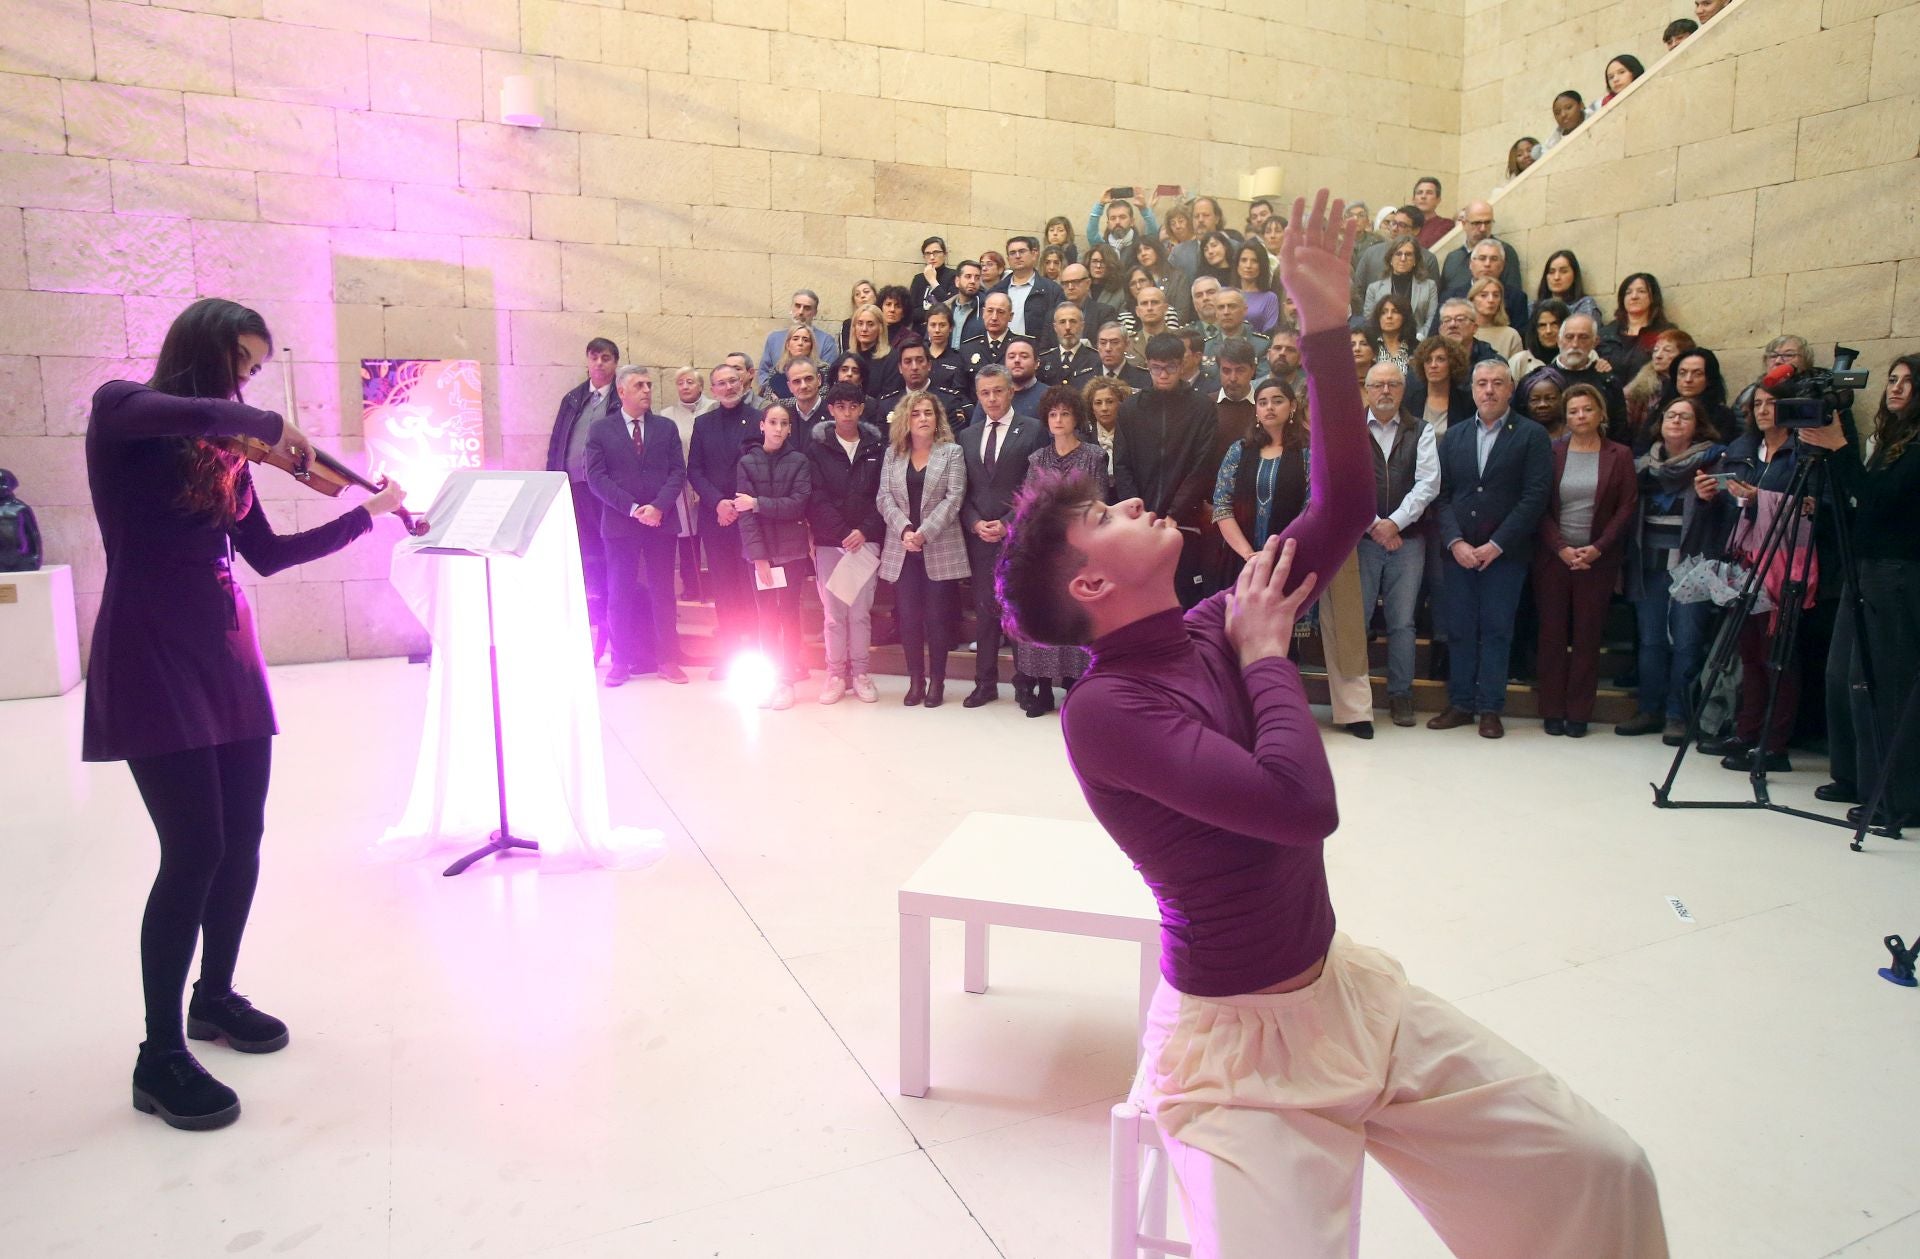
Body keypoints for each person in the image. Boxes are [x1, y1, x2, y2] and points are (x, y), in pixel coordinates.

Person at [993, 192, 1668, 1259]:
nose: (1132, 504)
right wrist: (1268, 657)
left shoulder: (1221, 613)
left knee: (1601, 1171)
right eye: (1107, 514)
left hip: (1343, 995)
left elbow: (1346, 497)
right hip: (1236, 1059)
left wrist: (1320, 323)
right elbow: (1300, 806)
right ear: (1088, 579)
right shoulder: (1107, 710)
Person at [85, 297, 410, 1131]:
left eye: (256, 369)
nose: (245, 380)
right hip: (151, 651)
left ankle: (215, 998)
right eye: (239, 362)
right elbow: (189, 412)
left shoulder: (228, 454)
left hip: (226, 654)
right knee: (192, 847)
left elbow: (264, 555)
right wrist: (260, 421)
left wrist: (363, 517)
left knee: (243, 837)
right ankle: (158, 1057)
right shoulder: (123, 410)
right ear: (202, 353)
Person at [1802, 355, 1920, 828]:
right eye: (1892, 380)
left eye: (1908, 383)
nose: (1896, 389)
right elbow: (1860, 504)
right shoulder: (1891, 441)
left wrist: (1840, 447)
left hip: (1898, 572)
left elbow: (1877, 501)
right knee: (1842, 676)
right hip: (1864, 565)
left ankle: (1894, 795)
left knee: (1882, 682)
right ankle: (1852, 775)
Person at [1428, 360, 1555, 738]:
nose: (1489, 390)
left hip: (1506, 553)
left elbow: (1534, 497)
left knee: (1498, 630)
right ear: (1471, 389)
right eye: (1481, 383)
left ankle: (1490, 708)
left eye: (1497, 383)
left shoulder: (1531, 435)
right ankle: (1462, 702)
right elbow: (1442, 495)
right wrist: (1455, 542)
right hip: (1459, 552)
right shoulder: (1455, 436)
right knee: (1461, 629)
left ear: (1511, 388)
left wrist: (1497, 544)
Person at [1697, 383, 1813, 772]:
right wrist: (1709, 494)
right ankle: (1747, 731)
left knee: (1777, 656)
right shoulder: (1744, 450)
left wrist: (1760, 497)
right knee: (1748, 654)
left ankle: (1774, 743)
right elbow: (1727, 505)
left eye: (1771, 403)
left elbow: (1819, 507)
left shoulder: (1804, 453)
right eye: (1757, 404)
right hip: (1744, 560)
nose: (1763, 410)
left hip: (1784, 564)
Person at [1615, 396, 1725, 743]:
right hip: (1649, 565)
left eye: (1685, 417)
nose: (1676, 421)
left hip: (1692, 566)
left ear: (1698, 425)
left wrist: (1711, 500)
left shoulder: (1714, 461)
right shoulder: (1643, 465)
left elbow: (1728, 518)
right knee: (1649, 642)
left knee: (1687, 641)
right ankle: (1650, 709)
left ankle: (1678, 715)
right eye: (1670, 415)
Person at [1533, 385, 1637, 736]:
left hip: (1597, 560)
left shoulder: (1619, 455)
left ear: (1600, 414)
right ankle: (1551, 709)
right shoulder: (1552, 452)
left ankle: (1578, 712)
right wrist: (1560, 547)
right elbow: (1540, 506)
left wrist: (1599, 548)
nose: (1580, 416)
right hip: (1554, 558)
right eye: (1574, 410)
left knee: (1588, 637)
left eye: (1587, 410)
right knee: (1551, 635)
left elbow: (1626, 508)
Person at [586, 364, 692, 689]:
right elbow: (596, 477)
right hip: (621, 523)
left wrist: (658, 506)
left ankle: (668, 660)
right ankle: (620, 662)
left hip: (661, 521)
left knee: (664, 593)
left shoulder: (665, 428)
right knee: (619, 594)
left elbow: (678, 472)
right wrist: (633, 508)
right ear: (622, 391)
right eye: (639, 385)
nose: (647, 390)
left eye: (648, 385)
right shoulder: (601, 430)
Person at [1013, 385, 1107, 716]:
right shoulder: (1037, 458)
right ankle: (1040, 688)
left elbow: (1099, 503)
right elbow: (1027, 503)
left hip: (1080, 549)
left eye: (1065, 413)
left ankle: (1074, 682)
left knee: (1074, 615)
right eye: (1053, 414)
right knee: (1042, 613)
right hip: (1044, 548)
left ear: (1076, 417)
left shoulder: (1094, 456)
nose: (1058, 419)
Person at [959, 364, 1047, 708]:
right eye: (985, 393)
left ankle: (1024, 683)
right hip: (980, 536)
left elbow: (1035, 483)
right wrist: (974, 523)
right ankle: (985, 683)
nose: (992, 398)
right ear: (978, 396)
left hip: (1018, 535)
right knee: (985, 611)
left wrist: (1009, 521)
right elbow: (963, 488)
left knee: (1018, 612)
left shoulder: (1034, 429)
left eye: (998, 391)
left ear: (1011, 392)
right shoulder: (968, 435)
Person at [1112, 331, 1222, 608]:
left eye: (1170, 366)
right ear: (1147, 364)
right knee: (1140, 601)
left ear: (1182, 363)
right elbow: (1122, 464)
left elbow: (1203, 465)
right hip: (1139, 523)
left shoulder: (1201, 408)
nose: (1163, 374)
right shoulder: (1130, 409)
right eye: (1157, 367)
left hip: (1185, 521)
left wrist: (1175, 513)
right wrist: (1138, 512)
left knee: (1184, 600)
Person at [1358, 361, 1440, 727]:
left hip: (1408, 541)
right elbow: (1343, 482)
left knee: (1402, 622)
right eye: (1378, 385)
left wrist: (1394, 524)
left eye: (1393, 384)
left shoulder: (1420, 430)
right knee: (1355, 620)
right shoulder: (1350, 428)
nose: (1386, 391)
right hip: (1360, 540)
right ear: (1367, 389)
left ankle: (1401, 695)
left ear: (1404, 390)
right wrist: (1375, 525)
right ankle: (1355, 698)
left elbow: (1427, 484)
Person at [878, 390, 968, 708]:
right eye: (916, 413)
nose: (923, 419)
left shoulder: (952, 452)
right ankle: (916, 680)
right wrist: (905, 529)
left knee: (937, 618)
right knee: (909, 619)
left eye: (928, 413)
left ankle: (938, 681)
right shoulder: (893, 454)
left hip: (938, 545)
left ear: (937, 417)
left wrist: (923, 533)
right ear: (906, 419)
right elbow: (883, 497)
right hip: (903, 548)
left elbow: (954, 498)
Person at [807, 382, 887, 705]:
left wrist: (864, 531)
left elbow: (884, 495)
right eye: (840, 406)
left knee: (860, 614)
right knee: (833, 614)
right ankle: (835, 674)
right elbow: (815, 495)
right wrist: (841, 531)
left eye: (853, 406)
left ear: (861, 409)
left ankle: (861, 674)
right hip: (831, 542)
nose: (847, 412)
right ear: (831, 410)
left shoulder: (876, 447)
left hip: (865, 542)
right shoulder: (818, 448)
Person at [545, 337, 622, 658]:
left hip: (605, 492)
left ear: (615, 363)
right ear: (587, 361)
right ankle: (589, 621)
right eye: (594, 358)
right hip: (574, 488)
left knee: (609, 554)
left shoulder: (622, 398)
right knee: (583, 556)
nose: (600, 364)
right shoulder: (573, 399)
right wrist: (553, 482)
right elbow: (557, 442)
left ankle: (613, 628)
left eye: (606, 358)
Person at [733, 402, 814, 708]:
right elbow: (745, 515)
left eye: (784, 423)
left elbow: (797, 504)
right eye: (773, 422)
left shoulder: (799, 461)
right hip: (761, 554)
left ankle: (787, 681)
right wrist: (759, 557)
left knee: (789, 615)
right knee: (766, 618)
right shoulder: (747, 462)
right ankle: (769, 680)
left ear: (790, 428)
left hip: (791, 553)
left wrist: (757, 503)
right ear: (762, 426)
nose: (778, 428)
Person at [687, 361, 762, 676]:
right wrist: (718, 503)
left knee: (751, 587)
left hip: (749, 518)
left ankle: (758, 652)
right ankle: (730, 654)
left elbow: (761, 466)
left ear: (743, 383)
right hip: (715, 519)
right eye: (722, 383)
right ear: (713, 389)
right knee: (724, 585)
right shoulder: (703, 424)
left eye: (733, 381)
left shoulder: (759, 420)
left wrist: (737, 505)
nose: (729, 387)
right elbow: (695, 470)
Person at [659, 366, 713, 601]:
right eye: (680, 383)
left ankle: (717, 584)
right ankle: (692, 585)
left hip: (710, 482)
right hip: (682, 484)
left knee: (713, 535)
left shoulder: (714, 408)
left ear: (700, 386)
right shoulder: (667, 415)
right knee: (688, 536)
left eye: (690, 382)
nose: (685, 386)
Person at [758, 290, 840, 394]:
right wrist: (774, 394)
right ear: (791, 308)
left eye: (807, 308)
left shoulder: (826, 341)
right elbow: (764, 372)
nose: (801, 312)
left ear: (815, 312)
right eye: (797, 306)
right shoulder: (774, 339)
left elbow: (828, 378)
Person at [1623, 329, 1696, 443]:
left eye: (1667, 350)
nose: (1658, 355)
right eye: (1655, 350)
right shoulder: (1637, 389)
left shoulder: (1690, 387)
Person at [1599, 272, 1673, 381]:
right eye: (1628, 292)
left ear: (1653, 297)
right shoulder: (1606, 333)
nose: (1634, 297)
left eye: (1641, 291)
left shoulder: (1666, 333)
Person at [1361, 235, 1438, 335]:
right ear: (1390, 258)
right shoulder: (1374, 288)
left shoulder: (1429, 286)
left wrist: (1419, 338)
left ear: (1416, 260)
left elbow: (1432, 318)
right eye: (1398, 254)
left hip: (1419, 342)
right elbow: (1370, 321)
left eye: (1408, 254)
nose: (1403, 258)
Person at [994, 234, 1064, 343]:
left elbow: (1057, 328)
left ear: (1034, 254)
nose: (1017, 256)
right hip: (1001, 353)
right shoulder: (996, 291)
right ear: (1008, 259)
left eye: (1022, 251)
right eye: (1012, 253)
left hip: (1036, 354)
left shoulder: (1052, 291)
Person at [845, 302, 902, 399]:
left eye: (870, 324)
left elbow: (889, 397)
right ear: (854, 328)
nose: (864, 329)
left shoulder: (892, 358)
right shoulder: (846, 357)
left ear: (880, 328)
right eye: (860, 323)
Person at [1039, 302, 1100, 386]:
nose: (1068, 327)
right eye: (1062, 322)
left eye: (1073, 321)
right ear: (1055, 328)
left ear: (1082, 326)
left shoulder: (1096, 359)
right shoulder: (1043, 361)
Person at [923, 303, 974, 401]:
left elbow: (960, 395)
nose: (937, 330)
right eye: (933, 325)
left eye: (942, 325)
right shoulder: (920, 357)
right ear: (927, 327)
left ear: (951, 328)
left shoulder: (958, 359)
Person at [1535, 250, 1603, 324]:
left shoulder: (1585, 305)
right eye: (1551, 272)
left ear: (1574, 275)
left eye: (1563, 271)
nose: (1556, 277)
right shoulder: (1533, 308)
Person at [1060, 262, 1119, 342]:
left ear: (1088, 283)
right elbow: (1044, 350)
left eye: (1075, 282)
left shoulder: (1104, 313)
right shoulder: (1053, 316)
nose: (1070, 287)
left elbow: (1108, 345)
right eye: (1066, 283)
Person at [1469, 277, 1524, 362]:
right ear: (1472, 300)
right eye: (1483, 295)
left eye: (1496, 295)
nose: (1491, 300)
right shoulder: (1464, 332)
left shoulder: (1510, 335)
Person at [961, 291, 1016, 373]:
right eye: (990, 311)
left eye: (1000, 312)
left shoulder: (1020, 346)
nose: (994, 317)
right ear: (983, 313)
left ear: (1010, 316)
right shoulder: (968, 348)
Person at [1084, 375, 1130, 473]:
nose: (1104, 408)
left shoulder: (1131, 436)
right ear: (1091, 408)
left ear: (1121, 404)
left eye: (1110, 402)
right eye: (1098, 403)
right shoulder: (1083, 438)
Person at [1233, 242, 1280, 334]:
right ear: (1237, 265)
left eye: (1254, 261)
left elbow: (1270, 332)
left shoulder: (1270, 298)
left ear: (1262, 265)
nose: (1248, 266)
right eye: (1244, 260)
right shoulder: (1226, 293)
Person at [1367, 293, 1418, 374]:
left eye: (1395, 311)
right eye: (1384, 312)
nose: (1389, 316)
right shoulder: (1369, 345)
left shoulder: (1416, 348)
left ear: (1404, 317)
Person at [1092, 321, 1151, 389]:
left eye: (1114, 342)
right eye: (1103, 343)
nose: (1108, 348)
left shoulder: (1144, 379)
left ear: (1127, 345)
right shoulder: (1085, 378)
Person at [768, 324, 820, 400]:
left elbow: (821, 398)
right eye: (795, 339)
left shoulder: (822, 369)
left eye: (805, 340)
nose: (800, 343)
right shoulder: (776, 370)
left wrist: (779, 401)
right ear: (788, 345)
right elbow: (768, 401)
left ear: (811, 346)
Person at [836, 279, 878, 367]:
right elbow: (845, 353)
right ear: (854, 301)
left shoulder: (884, 322)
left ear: (875, 296)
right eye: (857, 294)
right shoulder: (848, 325)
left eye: (866, 292)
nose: (862, 296)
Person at [1004, 337, 1046, 418]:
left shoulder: (1050, 396)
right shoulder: (993, 395)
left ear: (1037, 363)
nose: (1017, 360)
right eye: (1011, 357)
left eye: (1024, 356)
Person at [911, 237, 956, 313]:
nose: (932, 257)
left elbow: (950, 308)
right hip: (921, 324)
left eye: (936, 252)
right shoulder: (918, 279)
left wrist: (933, 281)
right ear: (924, 257)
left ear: (945, 254)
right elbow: (910, 312)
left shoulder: (954, 276)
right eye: (927, 253)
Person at [1411, 175, 1452, 250]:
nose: (1423, 196)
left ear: (1438, 199)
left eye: (1429, 193)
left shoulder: (1445, 225)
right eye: (1419, 192)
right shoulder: (1405, 224)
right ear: (1413, 199)